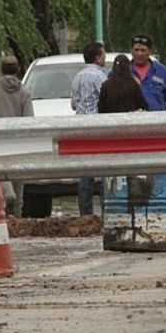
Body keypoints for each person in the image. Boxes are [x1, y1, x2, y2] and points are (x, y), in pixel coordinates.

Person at [0, 56, 33, 216]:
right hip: (17, 143)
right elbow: (29, 119)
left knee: (0, 173)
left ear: (1, 69)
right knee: (18, 181)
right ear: (18, 70)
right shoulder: (24, 91)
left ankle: (5, 202)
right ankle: (16, 217)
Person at [70, 42, 106, 216]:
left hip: (80, 126)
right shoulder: (99, 77)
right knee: (105, 170)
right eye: (103, 55)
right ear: (98, 57)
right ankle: (107, 209)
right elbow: (105, 98)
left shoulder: (77, 77)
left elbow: (73, 104)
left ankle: (85, 212)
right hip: (97, 126)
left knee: (85, 171)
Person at [129, 33, 166, 111]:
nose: (139, 54)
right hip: (130, 121)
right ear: (131, 51)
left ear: (150, 51)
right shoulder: (123, 71)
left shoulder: (162, 72)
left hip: (157, 121)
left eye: (143, 50)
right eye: (136, 50)